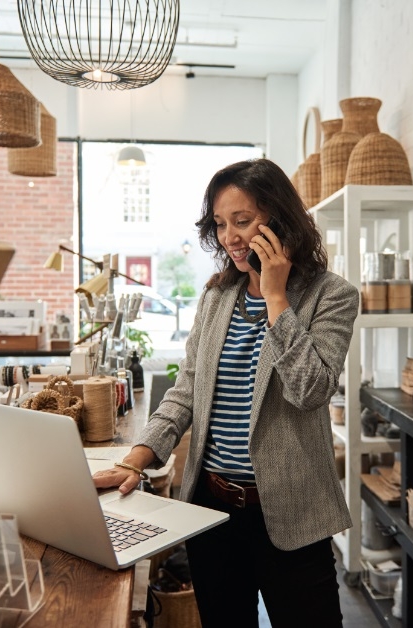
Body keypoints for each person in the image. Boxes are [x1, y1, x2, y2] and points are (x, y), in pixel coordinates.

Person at [93, 158, 359, 626]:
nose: (229, 237)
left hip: (293, 513)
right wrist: (136, 458)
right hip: (212, 512)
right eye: (220, 223)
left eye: (243, 220)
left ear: (279, 220)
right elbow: (186, 391)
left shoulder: (331, 295)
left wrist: (276, 298)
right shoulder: (217, 297)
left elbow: (311, 390)